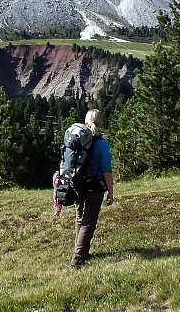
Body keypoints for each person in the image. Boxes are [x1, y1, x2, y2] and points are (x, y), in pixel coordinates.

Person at [73, 108, 113, 268]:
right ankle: (77, 259)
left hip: (77, 186)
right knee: (88, 223)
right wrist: (110, 191)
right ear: (101, 123)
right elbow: (107, 170)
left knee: (80, 219)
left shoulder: (77, 141)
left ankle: (82, 251)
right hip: (94, 189)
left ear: (86, 122)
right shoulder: (102, 144)